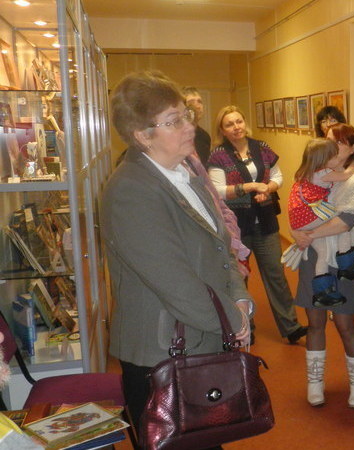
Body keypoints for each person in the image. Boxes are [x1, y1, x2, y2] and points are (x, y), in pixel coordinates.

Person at [100, 71, 252, 446]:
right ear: (142, 135)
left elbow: (222, 246)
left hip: (202, 338)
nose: (189, 126)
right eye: (174, 120)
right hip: (162, 354)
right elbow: (173, 280)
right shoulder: (131, 189)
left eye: (186, 115)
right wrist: (233, 320)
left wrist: (241, 297)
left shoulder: (184, 173)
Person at [291, 123, 354, 408]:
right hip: (313, 258)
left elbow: (346, 222)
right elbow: (298, 206)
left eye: (340, 143)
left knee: (345, 323)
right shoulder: (316, 173)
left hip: (344, 262)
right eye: (329, 141)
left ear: (353, 147)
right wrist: (296, 231)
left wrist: (308, 235)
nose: (333, 148)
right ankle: (314, 381)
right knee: (314, 322)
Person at [207, 105, 307, 345]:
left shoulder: (261, 147)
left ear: (245, 122)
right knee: (239, 278)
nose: (236, 127)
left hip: (265, 221)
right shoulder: (218, 155)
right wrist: (250, 187)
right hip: (236, 227)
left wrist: (268, 189)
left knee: (276, 275)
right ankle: (244, 327)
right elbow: (217, 191)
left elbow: (278, 177)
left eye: (239, 121)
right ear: (222, 130)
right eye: (229, 124)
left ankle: (290, 326)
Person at [288, 138, 354, 307]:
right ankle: (347, 265)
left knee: (322, 253)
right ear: (323, 159)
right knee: (342, 221)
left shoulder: (306, 172)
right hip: (311, 218)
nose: (337, 158)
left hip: (302, 222)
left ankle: (322, 291)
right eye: (333, 156)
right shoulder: (322, 173)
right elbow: (346, 176)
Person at [182, 86, 212, 165]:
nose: (198, 106)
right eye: (191, 103)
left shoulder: (205, 136)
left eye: (200, 102)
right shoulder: (176, 134)